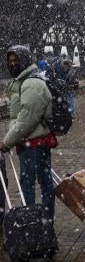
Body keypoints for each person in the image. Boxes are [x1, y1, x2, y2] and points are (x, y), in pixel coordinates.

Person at [0, 45, 57, 222]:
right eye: (10, 61)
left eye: (16, 60)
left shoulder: (31, 84)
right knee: (44, 182)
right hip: (33, 142)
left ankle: (34, 224)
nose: (13, 64)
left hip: (33, 143)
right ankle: (43, 221)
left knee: (30, 184)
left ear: (25, 60)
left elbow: (26, 119)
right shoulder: (24, 81)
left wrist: (7, 141)